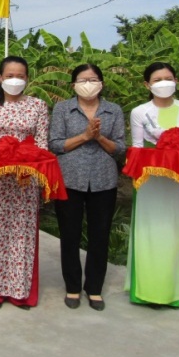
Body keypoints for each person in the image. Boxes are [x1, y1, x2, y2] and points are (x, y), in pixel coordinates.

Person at [0, 56, 49, 310]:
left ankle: (19, 291)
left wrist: (33, 172)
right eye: (10, 75)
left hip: (24, 180)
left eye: (21, 76)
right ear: (0, 78)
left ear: (27, 78)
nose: (16, 80)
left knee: (20, 234)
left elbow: (42, 144)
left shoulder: (38, 106)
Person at [48, 64, 125, 312]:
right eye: (83, 79)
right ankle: (72, 286)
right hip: (69, 178)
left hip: (104, 180)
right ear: (73, 84)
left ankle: (94, 288)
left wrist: (99, 136)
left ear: (102, 83)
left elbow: (120, 149)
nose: (88, 83)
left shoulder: (113, 111)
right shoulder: (63, 109)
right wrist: (85, 135)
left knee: (99, 236)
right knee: (69, 235)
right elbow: (56, 144)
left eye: (93, 79)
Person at [126, 62, 179, 308]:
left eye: (168, 77)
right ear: (147, 85)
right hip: (150, 180)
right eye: (157, 80)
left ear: (177, 80)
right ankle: (146, 290)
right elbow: (137, 147)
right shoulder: (139, 112)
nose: (163, 83)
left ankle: (173, 292)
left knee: (177, 231)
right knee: (149, 231)